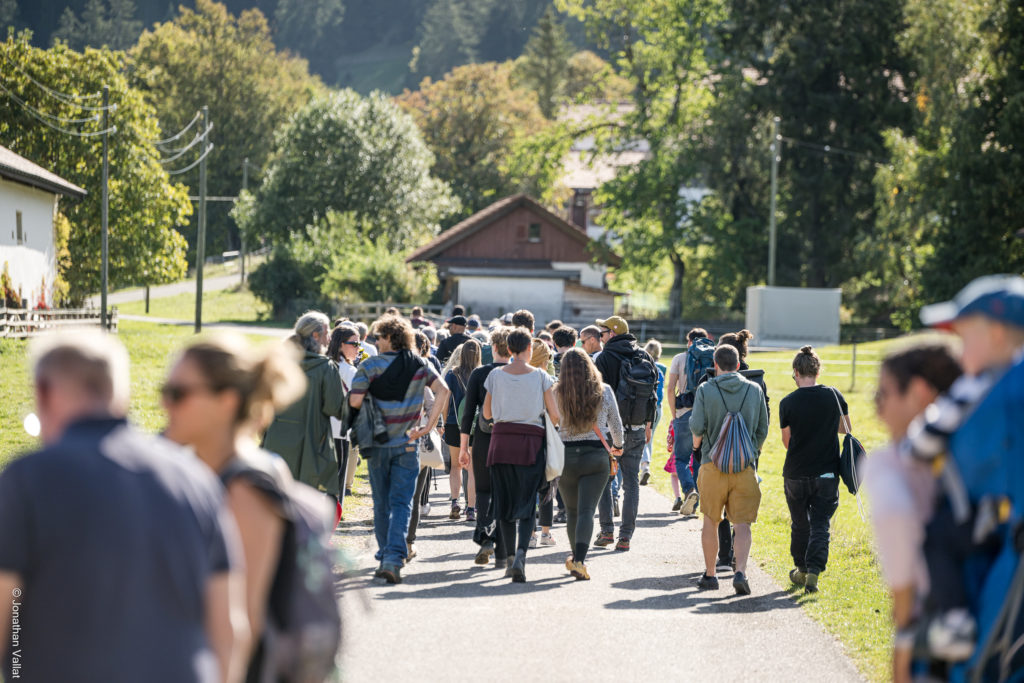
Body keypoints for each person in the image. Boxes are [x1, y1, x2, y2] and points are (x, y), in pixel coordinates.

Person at [0, 330, 248, 682]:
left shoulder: (26, 479)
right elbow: (230, 629)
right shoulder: (197, 479)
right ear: (120, 394)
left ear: (43, 391)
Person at [162, 333, 341, 681]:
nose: (165, 405)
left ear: (227, 401)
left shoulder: (244, 490)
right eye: (165, 392)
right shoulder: (222, 473)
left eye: (178, 394)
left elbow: (240, 624)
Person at [903, 275, 1024, 677]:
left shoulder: (981, 389)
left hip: (992, 534)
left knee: (934, 539)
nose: (957, 350)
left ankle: (951, 625)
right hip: (999, 532)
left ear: (994, 333)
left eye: (963, 337)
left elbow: (922, 442)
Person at [862, 344, 961, 683]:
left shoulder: (889, 466)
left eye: (883, 393)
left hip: (930, 632)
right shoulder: (964, 457)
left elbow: (896, 521)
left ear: (919, 393)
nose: (877, 406)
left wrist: (904, 638)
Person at [349, 314, 450, 584]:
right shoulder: (420, 364)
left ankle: (386, 554)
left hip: (378, 443)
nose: (375, 340)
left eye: (379, 336)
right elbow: (444, 390)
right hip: (408, 443)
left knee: (381, 503)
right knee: (402, 503)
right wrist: (428, 426)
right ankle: (393, 556)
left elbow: (355, 400)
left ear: (390, 338)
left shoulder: (370, 366)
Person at [483, 327, 560, 583]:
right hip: (531, 444)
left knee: (504, 504)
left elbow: (486, 414)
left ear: (507, 350)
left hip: (501, 442)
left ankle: (506, 560)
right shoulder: (540, 376)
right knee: (528, 504)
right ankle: (520, 556)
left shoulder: (495, 374)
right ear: (529, 349)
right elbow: (556, 415)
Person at [690, 344, 768, 595]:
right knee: (743, 523)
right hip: (745, 467)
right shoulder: (754, 389)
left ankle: (710, 575)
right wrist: (750, 452)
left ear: (715, 364)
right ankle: (741, 572)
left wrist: (697, 447)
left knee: (711, 521)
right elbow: (762, 429)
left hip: (712, 464)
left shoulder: (705, 389)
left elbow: (697, 426)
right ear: (737, 365)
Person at [778, 345, 850, 594]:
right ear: (817, 371)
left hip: (795, 473)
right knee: (820, 524)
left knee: (799, 524)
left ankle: (800, 569)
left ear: (796, 372)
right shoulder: (833, 395)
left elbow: (786, 442)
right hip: (827, 473)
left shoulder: (787, 402)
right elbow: (846, 429)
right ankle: (815, 572)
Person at [263, 311, 347, 507]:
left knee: (274, 500)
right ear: (316, 336)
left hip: (275, 442)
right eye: (327, 332)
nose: (330, 337)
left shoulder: (279, 363)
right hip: (311, 446)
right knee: (303, 504)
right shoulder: (326, 368)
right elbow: (337, 408)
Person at [556, 349, 624, 580]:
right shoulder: (603, 391)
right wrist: (618, 446)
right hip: (596, 455)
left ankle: (576, 556)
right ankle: (580, 561)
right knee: (587, 511)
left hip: (566, 456)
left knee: (572, 510)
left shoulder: (557, 392)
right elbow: (615, 423)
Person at [593, 316, 655, 552]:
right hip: (638, 428)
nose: (601, 337)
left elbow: (598, 396)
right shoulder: (644, 356)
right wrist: (648, 424)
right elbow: (653, 395)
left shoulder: (604, 358)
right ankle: (626, 536)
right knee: (631, 482)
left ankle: (607, 531)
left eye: (603, 333)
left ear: (613, 334)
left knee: (605, 481)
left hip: (609, 431)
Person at [459, 327, 513, 567]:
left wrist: (463, 448)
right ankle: (501, 544)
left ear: (493, 348)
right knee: (506, 492)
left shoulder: (480, 373)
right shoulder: (520, 373)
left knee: (483, 491)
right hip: (512, 438)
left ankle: (485, 538)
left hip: (483, 437)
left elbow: (468, 413)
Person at [406, 331, 444, 561]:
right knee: (415, 494)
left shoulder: (381, 367)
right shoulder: (422, 369)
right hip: (415, 440)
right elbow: (438, 396)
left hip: (390, 440)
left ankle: (392, 544)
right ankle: (408, 543)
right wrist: (429, 427)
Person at [665, 328, 709, 516]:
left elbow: (670, 388)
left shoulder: (679, 358)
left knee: (681, 458)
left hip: (683, 413)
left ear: (689, 341)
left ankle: (689, 490)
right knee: (698, 459)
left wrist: (674, 416)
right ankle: (695, 503)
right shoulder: (711, 357)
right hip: (705, 414)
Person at [444, 340, 481, 521]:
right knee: (472, 468)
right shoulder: (481, 373)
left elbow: (445, 400)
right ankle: (471, 509)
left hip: (453, 423)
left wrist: (441, 422)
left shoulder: (452, 374)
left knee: (455, 466)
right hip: (474, 425)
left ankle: (454, 502)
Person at [327, 325, 361, 510]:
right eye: (354, 344)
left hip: (321, 429)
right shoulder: (349, 371)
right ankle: (331, 524)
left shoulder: (325, 364)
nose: (358, 348)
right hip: (340, 431)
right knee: (336, 484)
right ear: (341, 345)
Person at [528, 337, 557, 547]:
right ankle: (546, 533)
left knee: (527, 487)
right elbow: (555, 415)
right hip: (546, 435)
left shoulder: (518, 377)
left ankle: (530, 534)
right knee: (547, 487)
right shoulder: (548, 380)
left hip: (523, 435)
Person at [639, 339, 666, 486]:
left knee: (642, 436)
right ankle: (645, 465)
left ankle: (643, 465)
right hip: (658, 407)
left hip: (644, 405)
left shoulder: (642, 366)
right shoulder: (662, 367)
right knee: (650, 436)